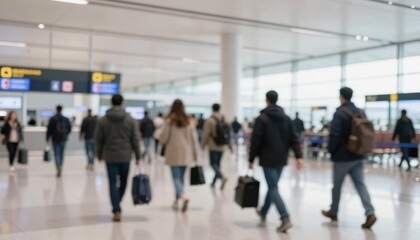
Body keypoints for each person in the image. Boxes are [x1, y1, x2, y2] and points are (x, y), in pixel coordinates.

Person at [248, 90, 304, 233]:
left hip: (267, 159)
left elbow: (256, 141)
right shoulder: (286, 118)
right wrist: (299, 156)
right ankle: (264, 212)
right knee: (273, 186)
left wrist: (251, 159)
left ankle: (285, 218)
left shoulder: (262, 118)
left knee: (273, 187)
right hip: (281, 159)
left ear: (266, 100)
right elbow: (294, 138)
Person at [322, 87, 377, 229]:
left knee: (337, 186)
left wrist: (331, 151)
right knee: (360, 184)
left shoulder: (339, 113)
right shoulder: (360, 111)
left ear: (341, 97)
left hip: (342, 156)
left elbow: (335, 135)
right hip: (359, 154)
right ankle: (370, 212)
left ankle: (333, 212)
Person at [95, 94, 141, 222]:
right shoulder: (130, 120)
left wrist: (98, 154)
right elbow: (135, 139)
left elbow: (98, 139)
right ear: (122, 103)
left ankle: (116, 208)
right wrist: (138, 156)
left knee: (112, 183)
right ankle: (117, 204)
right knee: (124, 182)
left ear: (111, 102)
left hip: (110, 156)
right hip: (125, 156)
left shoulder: (103, 120)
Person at [159, 99, 198, 212]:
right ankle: (177, 200)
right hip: (186, 153)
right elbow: (194, 140)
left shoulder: (169, 121)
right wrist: (195, 155)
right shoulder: (189, 121)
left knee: (176, 177)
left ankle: (183, 196)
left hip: (173, 152)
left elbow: (163, 138)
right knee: (180, 178)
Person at [201, 103, 229, 190]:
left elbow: (206, 133)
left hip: (213, 145)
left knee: (212, 163)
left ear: (212, 109)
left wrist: (202, 144)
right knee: (217, 164)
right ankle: (214, 181)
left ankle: (222, 177)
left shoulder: (210, 120)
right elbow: (228, 133)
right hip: (222, 146)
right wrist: (229, 144)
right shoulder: (224, 119)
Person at [46, 105, 72, 178]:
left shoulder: (53, 119)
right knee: (61, 153)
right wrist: (66, 134)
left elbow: (49, 129)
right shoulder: (65, 119)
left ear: (56, 109)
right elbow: (69, 128)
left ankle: (58, 167)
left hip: (55, 139)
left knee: (56, 153)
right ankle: (60, 165)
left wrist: (47, 138)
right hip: (63, 139)